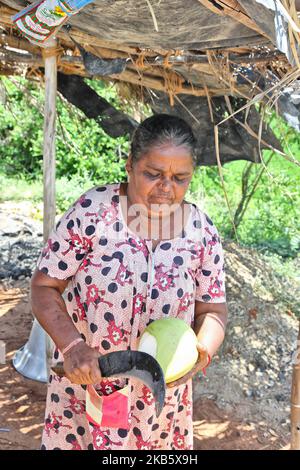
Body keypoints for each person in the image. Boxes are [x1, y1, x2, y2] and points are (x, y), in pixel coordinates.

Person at [31, 113, 228, 450]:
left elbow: (212, 311)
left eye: (181, 178)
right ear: (130, 165)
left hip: (160, 406)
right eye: (153, 174)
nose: (167, 188)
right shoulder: (93, 212)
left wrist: (199, 354)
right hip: (87, 388)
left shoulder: (201, 231)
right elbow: (44, 287)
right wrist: (73, 346)